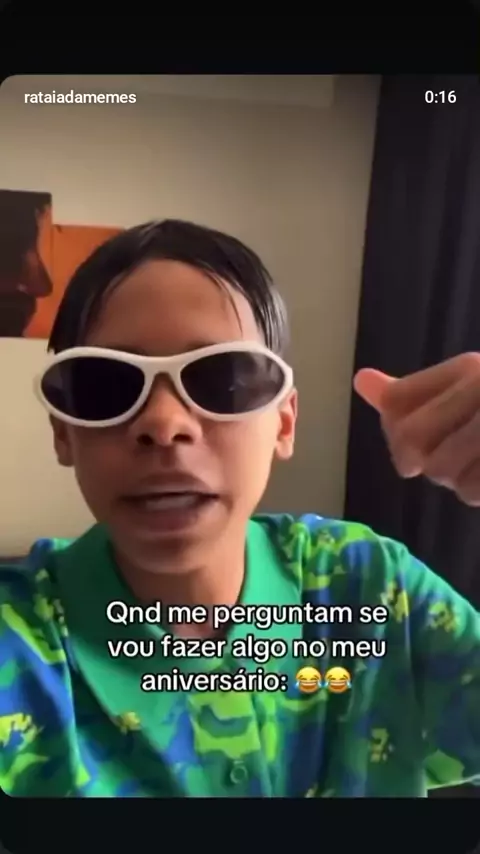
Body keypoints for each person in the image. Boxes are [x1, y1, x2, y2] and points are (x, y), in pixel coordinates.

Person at [0, 219, 478, 798]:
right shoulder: (20, 639)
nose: (164, 424)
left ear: (283, 422)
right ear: (63, 431)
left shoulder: (370, 586)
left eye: (221, 378)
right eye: (107, 386)